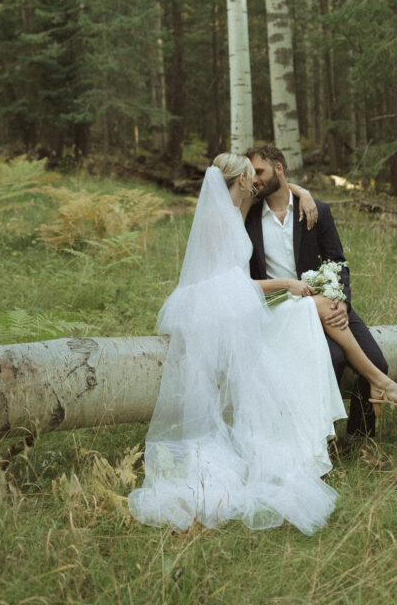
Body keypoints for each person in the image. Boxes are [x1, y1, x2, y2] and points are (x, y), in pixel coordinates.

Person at [128, 153, 345, 534]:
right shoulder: (220, 220)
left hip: (234, 310)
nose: (254, 181)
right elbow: (229, 283)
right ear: (242, 181)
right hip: (222, 313)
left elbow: (278, 187)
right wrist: (285, 284)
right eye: (250, 175)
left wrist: (303, 191)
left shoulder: (233, 211)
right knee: (262, 380)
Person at [245, 144, 397, 444]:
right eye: (251, 174)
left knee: (377, 361)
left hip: (326, 302)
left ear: (278, 169)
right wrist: (302, 191)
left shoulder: (317, 211)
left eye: (260, 171)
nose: (255, 179)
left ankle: (358, 439)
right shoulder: (249, 216)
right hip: (281, 309)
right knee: (334, 357)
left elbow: (337, 262)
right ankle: (319, 440)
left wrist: (341, 299)